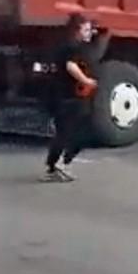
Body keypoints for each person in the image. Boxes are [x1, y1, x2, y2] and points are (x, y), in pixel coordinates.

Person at [42, 13, 110, 182]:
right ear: (76, 30)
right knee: (72, 132)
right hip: (68, 96)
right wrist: (86, 80)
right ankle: (58, 164)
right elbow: (70, 66)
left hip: (73, 96)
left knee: (69, 131)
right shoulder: (71, 47)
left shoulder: (78, 46)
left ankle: (56, 166)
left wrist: (97, 31)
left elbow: (98, 42)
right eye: (86, 30)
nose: (89, 33)